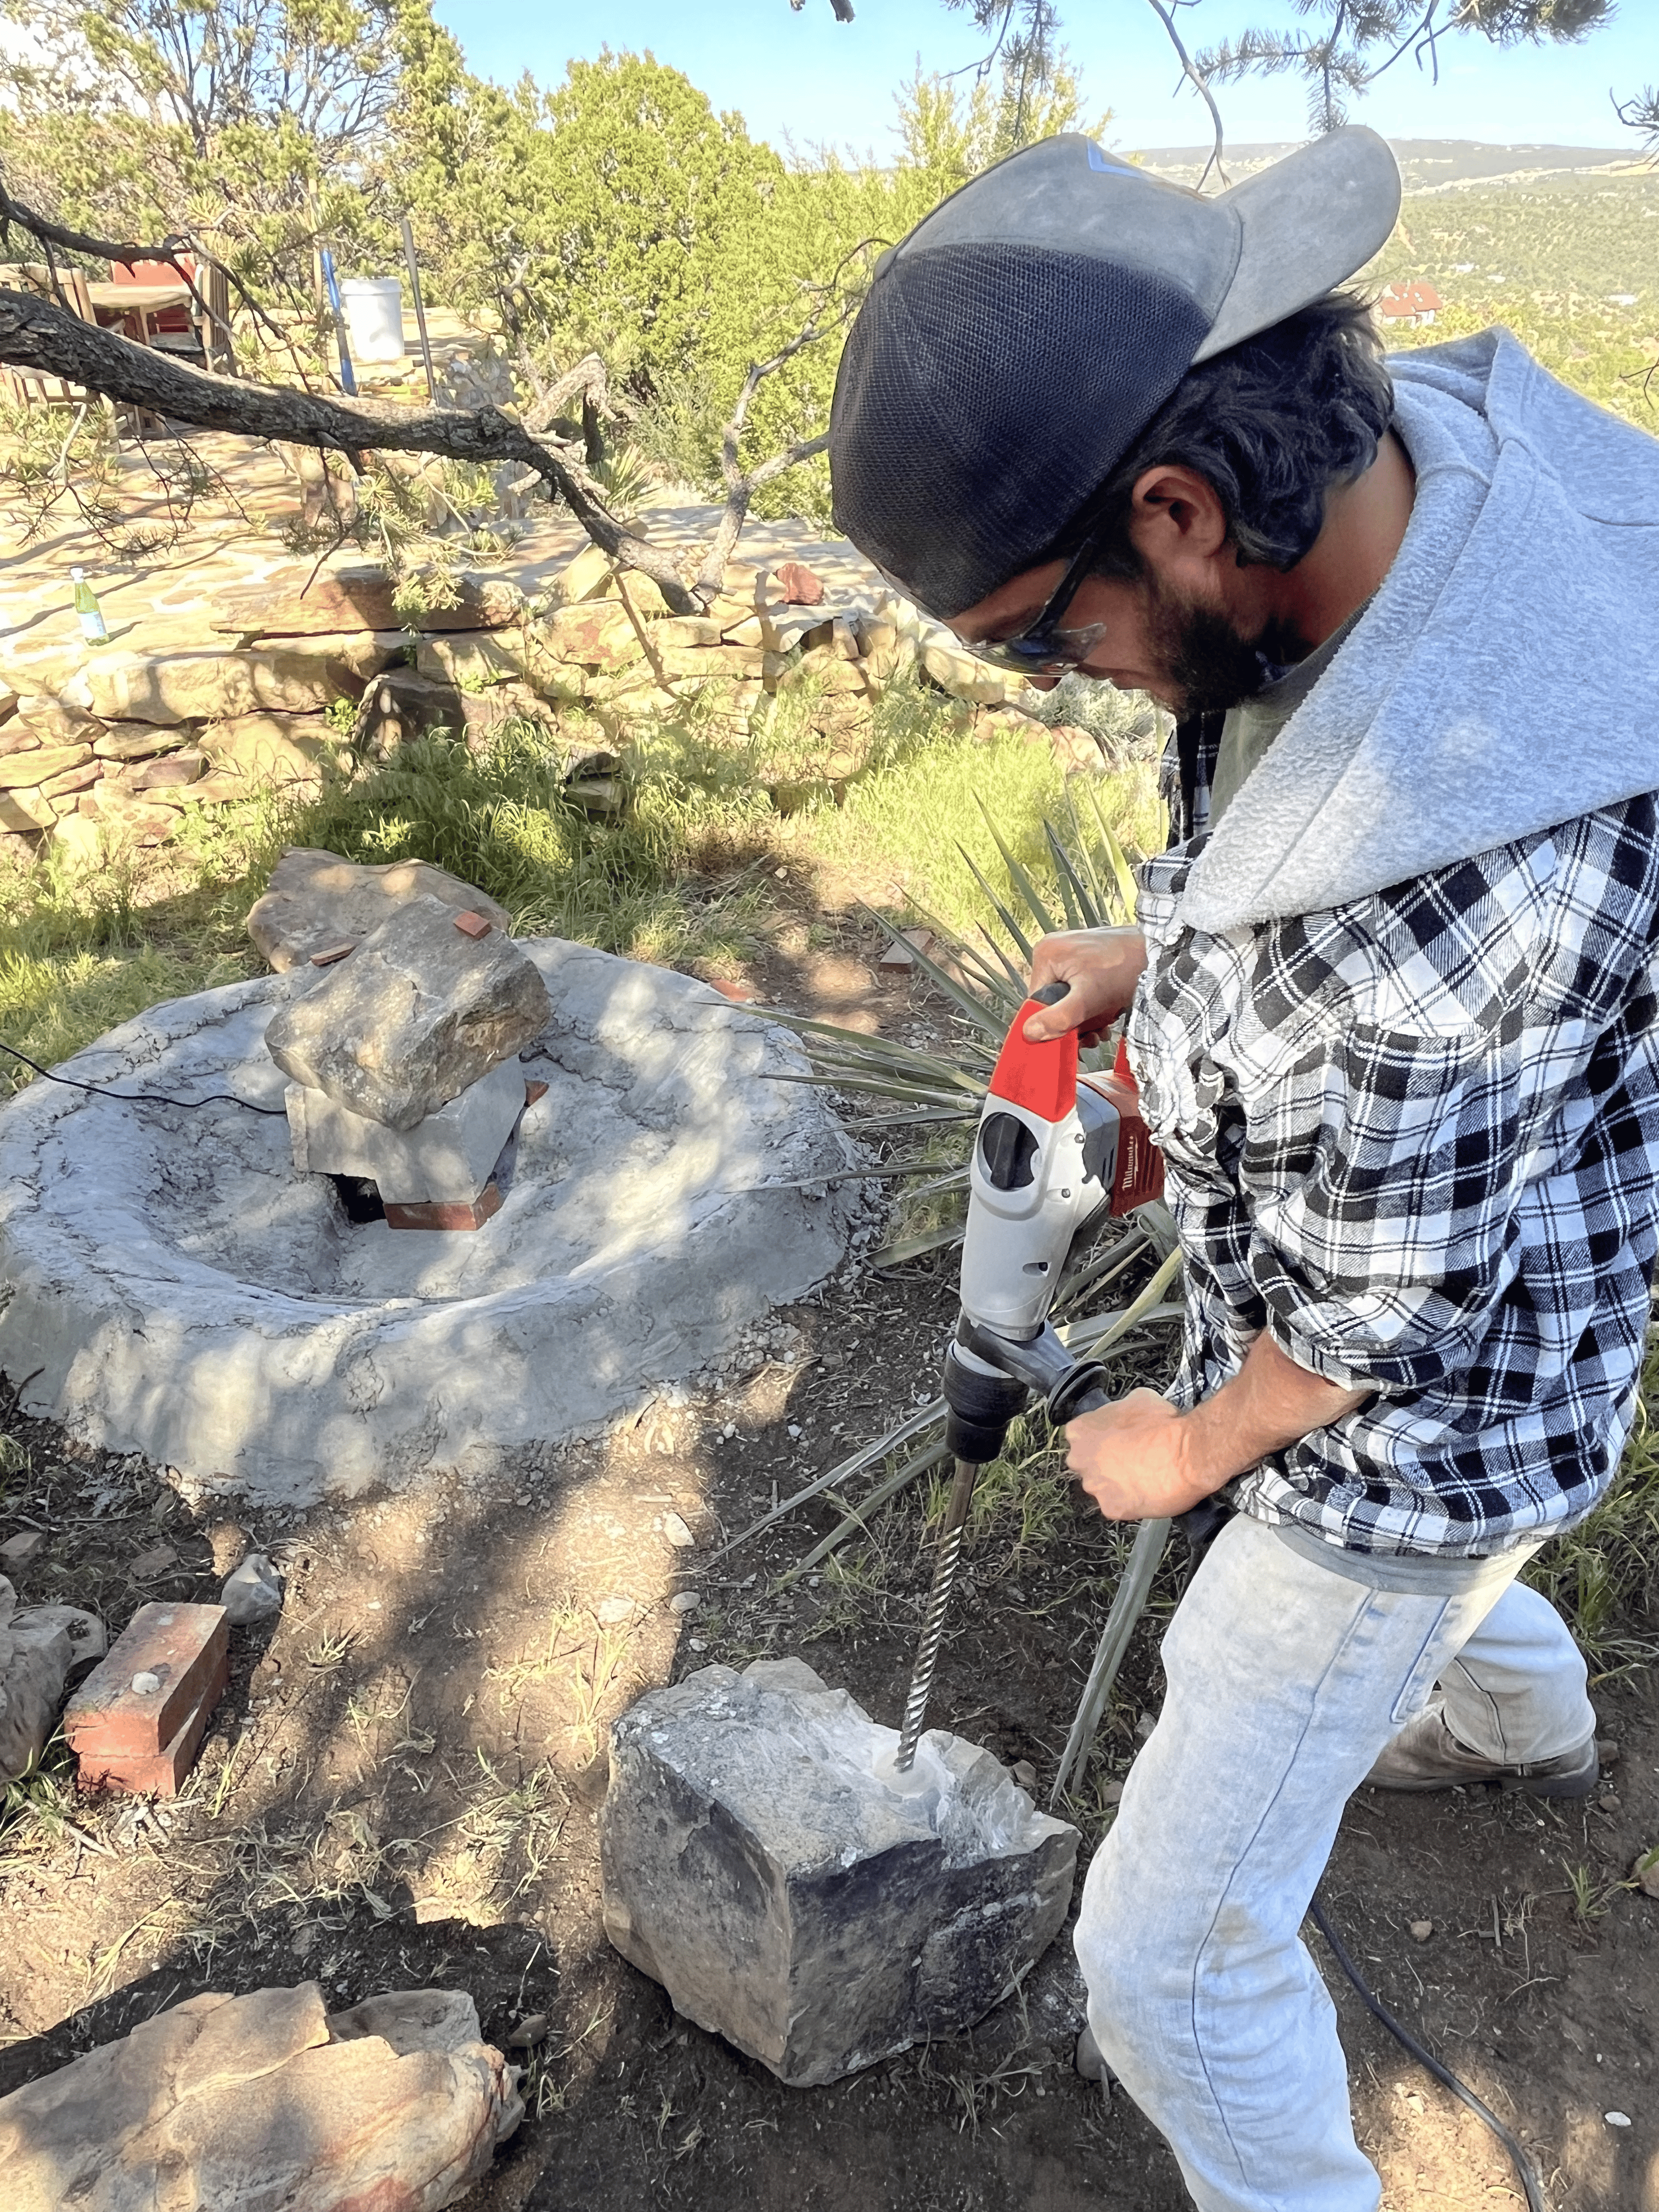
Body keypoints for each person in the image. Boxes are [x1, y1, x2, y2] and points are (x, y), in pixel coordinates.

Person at [827, 129, 1659, 2212]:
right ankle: (1525, 1738)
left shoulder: (1458, 894)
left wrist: (1184, 1454)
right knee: (1494, 1564)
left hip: (1412, 1436)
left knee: (1170, 1958)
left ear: (1181, 511)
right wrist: (1168, 951)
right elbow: (1301, 834)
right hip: (1547, 1327)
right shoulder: (1412, 472)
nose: (1057, 682)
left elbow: (1368, 1332)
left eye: (1040, 639)